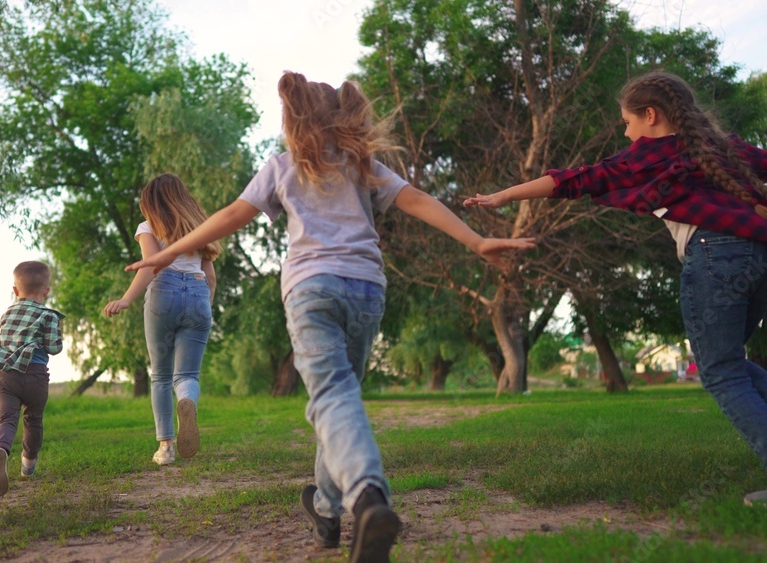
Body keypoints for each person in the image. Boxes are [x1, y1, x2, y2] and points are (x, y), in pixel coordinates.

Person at [125, 71, 535, 563]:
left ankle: (367, 496)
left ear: (293, 118)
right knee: (338, 398)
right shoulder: (363, 165)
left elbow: (231, 217)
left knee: (333, 397)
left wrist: (165, 255)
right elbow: (418, 200)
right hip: (366, 290)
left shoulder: (281, 166)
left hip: (311, 290)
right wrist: (475, 240)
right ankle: (325, 507)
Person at [464, 70, 767, 506]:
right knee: (729, 362)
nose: (626, 132)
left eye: (627, 122)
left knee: (720, 371)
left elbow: (575, 179)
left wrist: (503, 196)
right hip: (758, 253)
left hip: (715, 256)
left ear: (651, 115)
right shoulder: (723, 146)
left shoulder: (648, 156)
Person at [104, 174, 218, 466]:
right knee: (187, 375)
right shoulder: (199, 228)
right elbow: (211, 277)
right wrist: (206, 308)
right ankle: (187, 400)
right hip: (197, 292)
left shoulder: (148, 227)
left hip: (163, 294)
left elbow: (152, 266)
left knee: (161, 375)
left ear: (150, 204)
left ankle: (166, 448)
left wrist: (127, 299)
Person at [0, 261, 64, 497]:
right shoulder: (48, 315)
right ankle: (28, 465)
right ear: (46, 291)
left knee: (6, 420)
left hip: (6, 376)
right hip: (35, 376)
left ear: (16, 290)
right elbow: (54, 348)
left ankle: (0, 449)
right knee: (33, 419)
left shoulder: (7, 313)